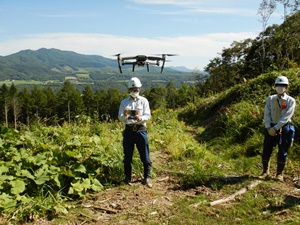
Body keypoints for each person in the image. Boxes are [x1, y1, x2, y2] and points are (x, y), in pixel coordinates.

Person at [259, 75, 296, 181]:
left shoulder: (291, 101)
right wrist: (268, 127)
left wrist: (275, 128)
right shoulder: (270, 99)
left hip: (284, 127)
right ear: (275, 87)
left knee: (282, 150)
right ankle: (265, 171)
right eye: (278, 85)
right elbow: (266, 114)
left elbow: (286, 117)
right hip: (270, 126)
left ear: (286, 87)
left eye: (283, 85)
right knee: (266, 149)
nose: (280, 87)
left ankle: (279, 174)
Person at [118, 77, 152, 188]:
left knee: (145, 155)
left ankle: (147, 177)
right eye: (132, 89)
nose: (134, 91)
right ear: (129, 89)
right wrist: (125, 114)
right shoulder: (124, 102)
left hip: (141, 130)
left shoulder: (144, 101)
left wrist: (140, 118)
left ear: (140, 88)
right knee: (127, 156)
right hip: (128, 131)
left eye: (136, 89)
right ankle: (128, 177)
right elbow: (120, 118)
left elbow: (148, 115)